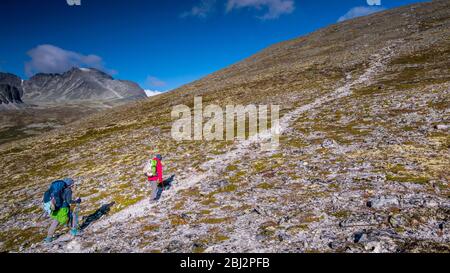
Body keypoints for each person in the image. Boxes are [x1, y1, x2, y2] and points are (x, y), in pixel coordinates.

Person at [43, 178, 82, 243]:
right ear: (70, 185)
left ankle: (48, 238)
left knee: (55, 221)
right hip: (64, 209)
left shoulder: (59, 190)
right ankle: (74, 231)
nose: (73, 185)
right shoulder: (68, 190)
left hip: (57, 208)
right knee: (73, 215)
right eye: (73, 184)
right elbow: (69, 201)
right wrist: (77, 201)